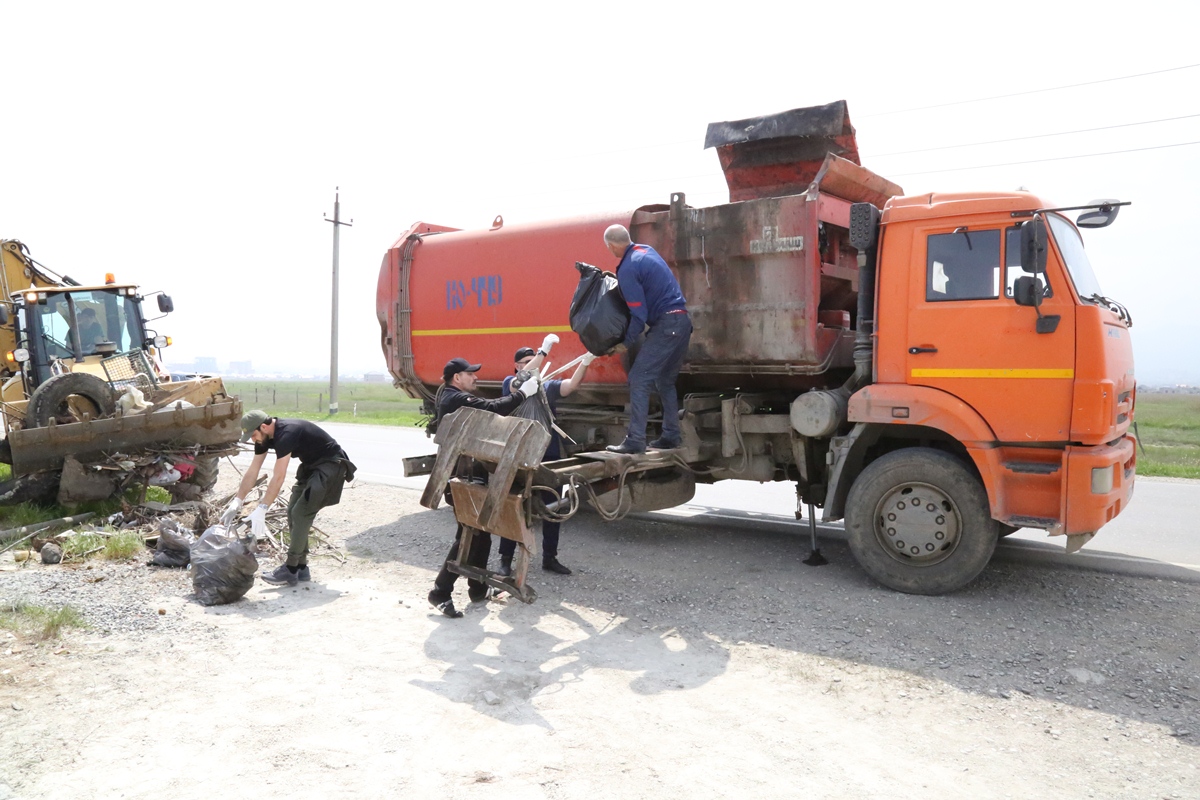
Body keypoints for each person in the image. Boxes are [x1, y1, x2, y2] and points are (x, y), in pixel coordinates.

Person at [427, 345, 548, 618]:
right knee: (468, 535)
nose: (475, 378)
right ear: (457, 378)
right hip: (460, 476)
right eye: (470, 374)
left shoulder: (450, 396)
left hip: (468, 474)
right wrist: (522, 394)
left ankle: (477, 589)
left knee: (480, 532)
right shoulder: (454, 399)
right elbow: (494, 409)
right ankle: (440, 591)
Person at [221, 411, 356, 586]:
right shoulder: (264, 437)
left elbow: (278, 477)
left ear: (263, 427)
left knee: (301, 513)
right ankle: (301, 567)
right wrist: (237, 501)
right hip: (311, 466)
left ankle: (290, 569)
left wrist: (262, 508)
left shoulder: (287, 433)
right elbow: (253, 470)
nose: (253, 439)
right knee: (292, 512)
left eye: (253, 435)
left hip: (331, 466)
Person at [496, 344, 595, 576]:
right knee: (514, 507)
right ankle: (505, 559)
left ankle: (550, 558)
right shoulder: (510, 384)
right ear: (518, 367)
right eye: (528, 362)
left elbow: (571, 386)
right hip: (519, 455)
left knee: (554, 507)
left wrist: (585, 362)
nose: (535, 366)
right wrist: (543, 352)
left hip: (548, 455)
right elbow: (520, 381)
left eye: (535, 360)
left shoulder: (546, 387)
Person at [603, 224, 691, 454]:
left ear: (611, 246)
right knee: (665, 381)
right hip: (682, 322)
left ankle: (635, 441)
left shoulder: (628, 267)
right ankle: (671, 436)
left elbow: (639, 315)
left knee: (639, 379)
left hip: (666, 325)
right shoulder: (645, 250)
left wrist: (625, 342)